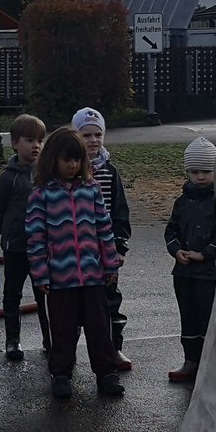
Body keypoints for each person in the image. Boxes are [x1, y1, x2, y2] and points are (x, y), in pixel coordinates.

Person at [24, 128, 125, 399]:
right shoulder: (41, 193)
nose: (72, 165)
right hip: (61, 277)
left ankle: (106, 373)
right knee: (63, 329)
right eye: (66, 160)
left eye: (77, 160)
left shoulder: (91, 189)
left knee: (99, 328)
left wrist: (110, 264)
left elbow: (104, 228)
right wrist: (41, 273)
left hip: (93, 275)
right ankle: (61, 374)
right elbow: (35, 237)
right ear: (53, 160)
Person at [72, 108, 133, 370]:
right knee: (73, 304)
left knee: (110, 300)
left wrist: (120, 246)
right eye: (86, 135)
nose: (93, 140)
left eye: (98, 134)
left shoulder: (109, 172)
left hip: (105, 250)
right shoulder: (69, 172)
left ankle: (113, 348)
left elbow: (120, 211)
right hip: (75, 251)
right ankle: (65, 351)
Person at [164, 137, 216, 382]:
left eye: (206, 171)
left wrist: (206, 253)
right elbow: (171, 230)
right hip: (184, 272)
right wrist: (177, 250)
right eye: (194, 171)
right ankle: (191, 360)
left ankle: (213, 364)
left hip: (209, 272)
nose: (200, 177)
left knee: (209, 317)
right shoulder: (182, 201)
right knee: (188, 315)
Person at [0, 113, 50, 361]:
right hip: (16, 246)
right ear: (15, 143)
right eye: (29, 140)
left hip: (43, 248)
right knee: (12, 294)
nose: (36, 145)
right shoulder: (8, 178)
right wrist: (7, 233)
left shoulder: (46, 175)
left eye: (40, 140)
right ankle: (12, 340)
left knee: (45, 294)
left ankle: (50, 338)